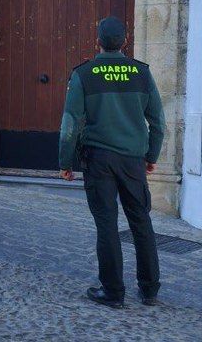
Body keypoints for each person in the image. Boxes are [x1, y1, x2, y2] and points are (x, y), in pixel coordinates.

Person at [58, 16, 165, 309]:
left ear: (97, 42)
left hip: (99, 160)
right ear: (125, 42)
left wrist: (65, 162)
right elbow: (157, 120)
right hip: (133, 160)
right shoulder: (141, 73)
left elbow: (70, 123)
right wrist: (151, 156)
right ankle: (150, 289)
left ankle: (113, 292)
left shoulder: (84, 73)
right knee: (141, 221)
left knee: (106, 224)